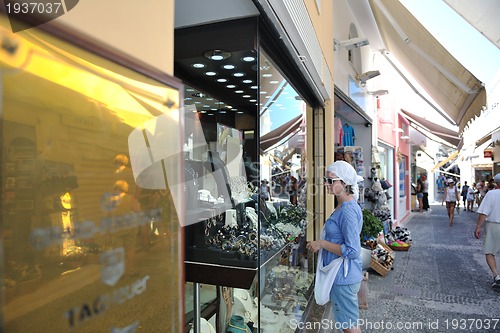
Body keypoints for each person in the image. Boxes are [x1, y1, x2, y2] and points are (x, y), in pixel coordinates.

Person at [306, 161, 363, 333]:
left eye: (331, 180)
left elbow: (353, 250)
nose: (326, 184)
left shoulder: (347, 210)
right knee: (346, 323)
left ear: (344, 183)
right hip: (341, 276)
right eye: (326, 179)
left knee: (349, 327)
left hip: (342, 278)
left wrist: (321, 243)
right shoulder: (343, 205)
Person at [107, 180, 142, 277]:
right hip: (129, 228)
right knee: (130, 250)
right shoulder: (130, 199)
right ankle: (131, 270)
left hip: (116, 229)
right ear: (125, 189)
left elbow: (108, 217)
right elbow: (139, 211)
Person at [474, 173, 500, 293]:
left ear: (496, 183)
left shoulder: (491, 194)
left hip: (493, 225)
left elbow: (484, 212)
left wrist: (478, 227)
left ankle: (496, 275)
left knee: (490, 251)